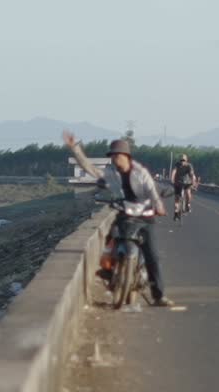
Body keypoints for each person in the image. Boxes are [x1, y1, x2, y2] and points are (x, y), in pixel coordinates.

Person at [63, 131, 172, 306]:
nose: (115, 159)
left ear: (126, 156)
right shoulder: (111, 172)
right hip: (125, 215)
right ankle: (108, 269)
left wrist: (158, 206)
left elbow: (152, 190)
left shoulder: (140, 172)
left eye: (117, 156)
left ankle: (158, 295)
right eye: (112, 156)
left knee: (152, 256)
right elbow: (89, 168)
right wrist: (75, 149)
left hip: (145, 217)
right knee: (110, 240)